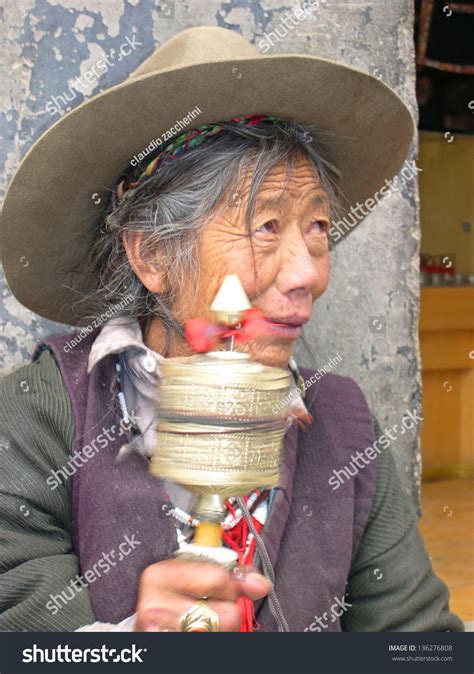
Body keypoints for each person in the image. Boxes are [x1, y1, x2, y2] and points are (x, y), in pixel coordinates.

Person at [0, 26, 463, 633]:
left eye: (318, 226)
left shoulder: (344, 431)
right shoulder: (40, 416)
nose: (307, 274)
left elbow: (419, 642)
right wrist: (122, 647)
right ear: (153, 257)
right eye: (266, 226)